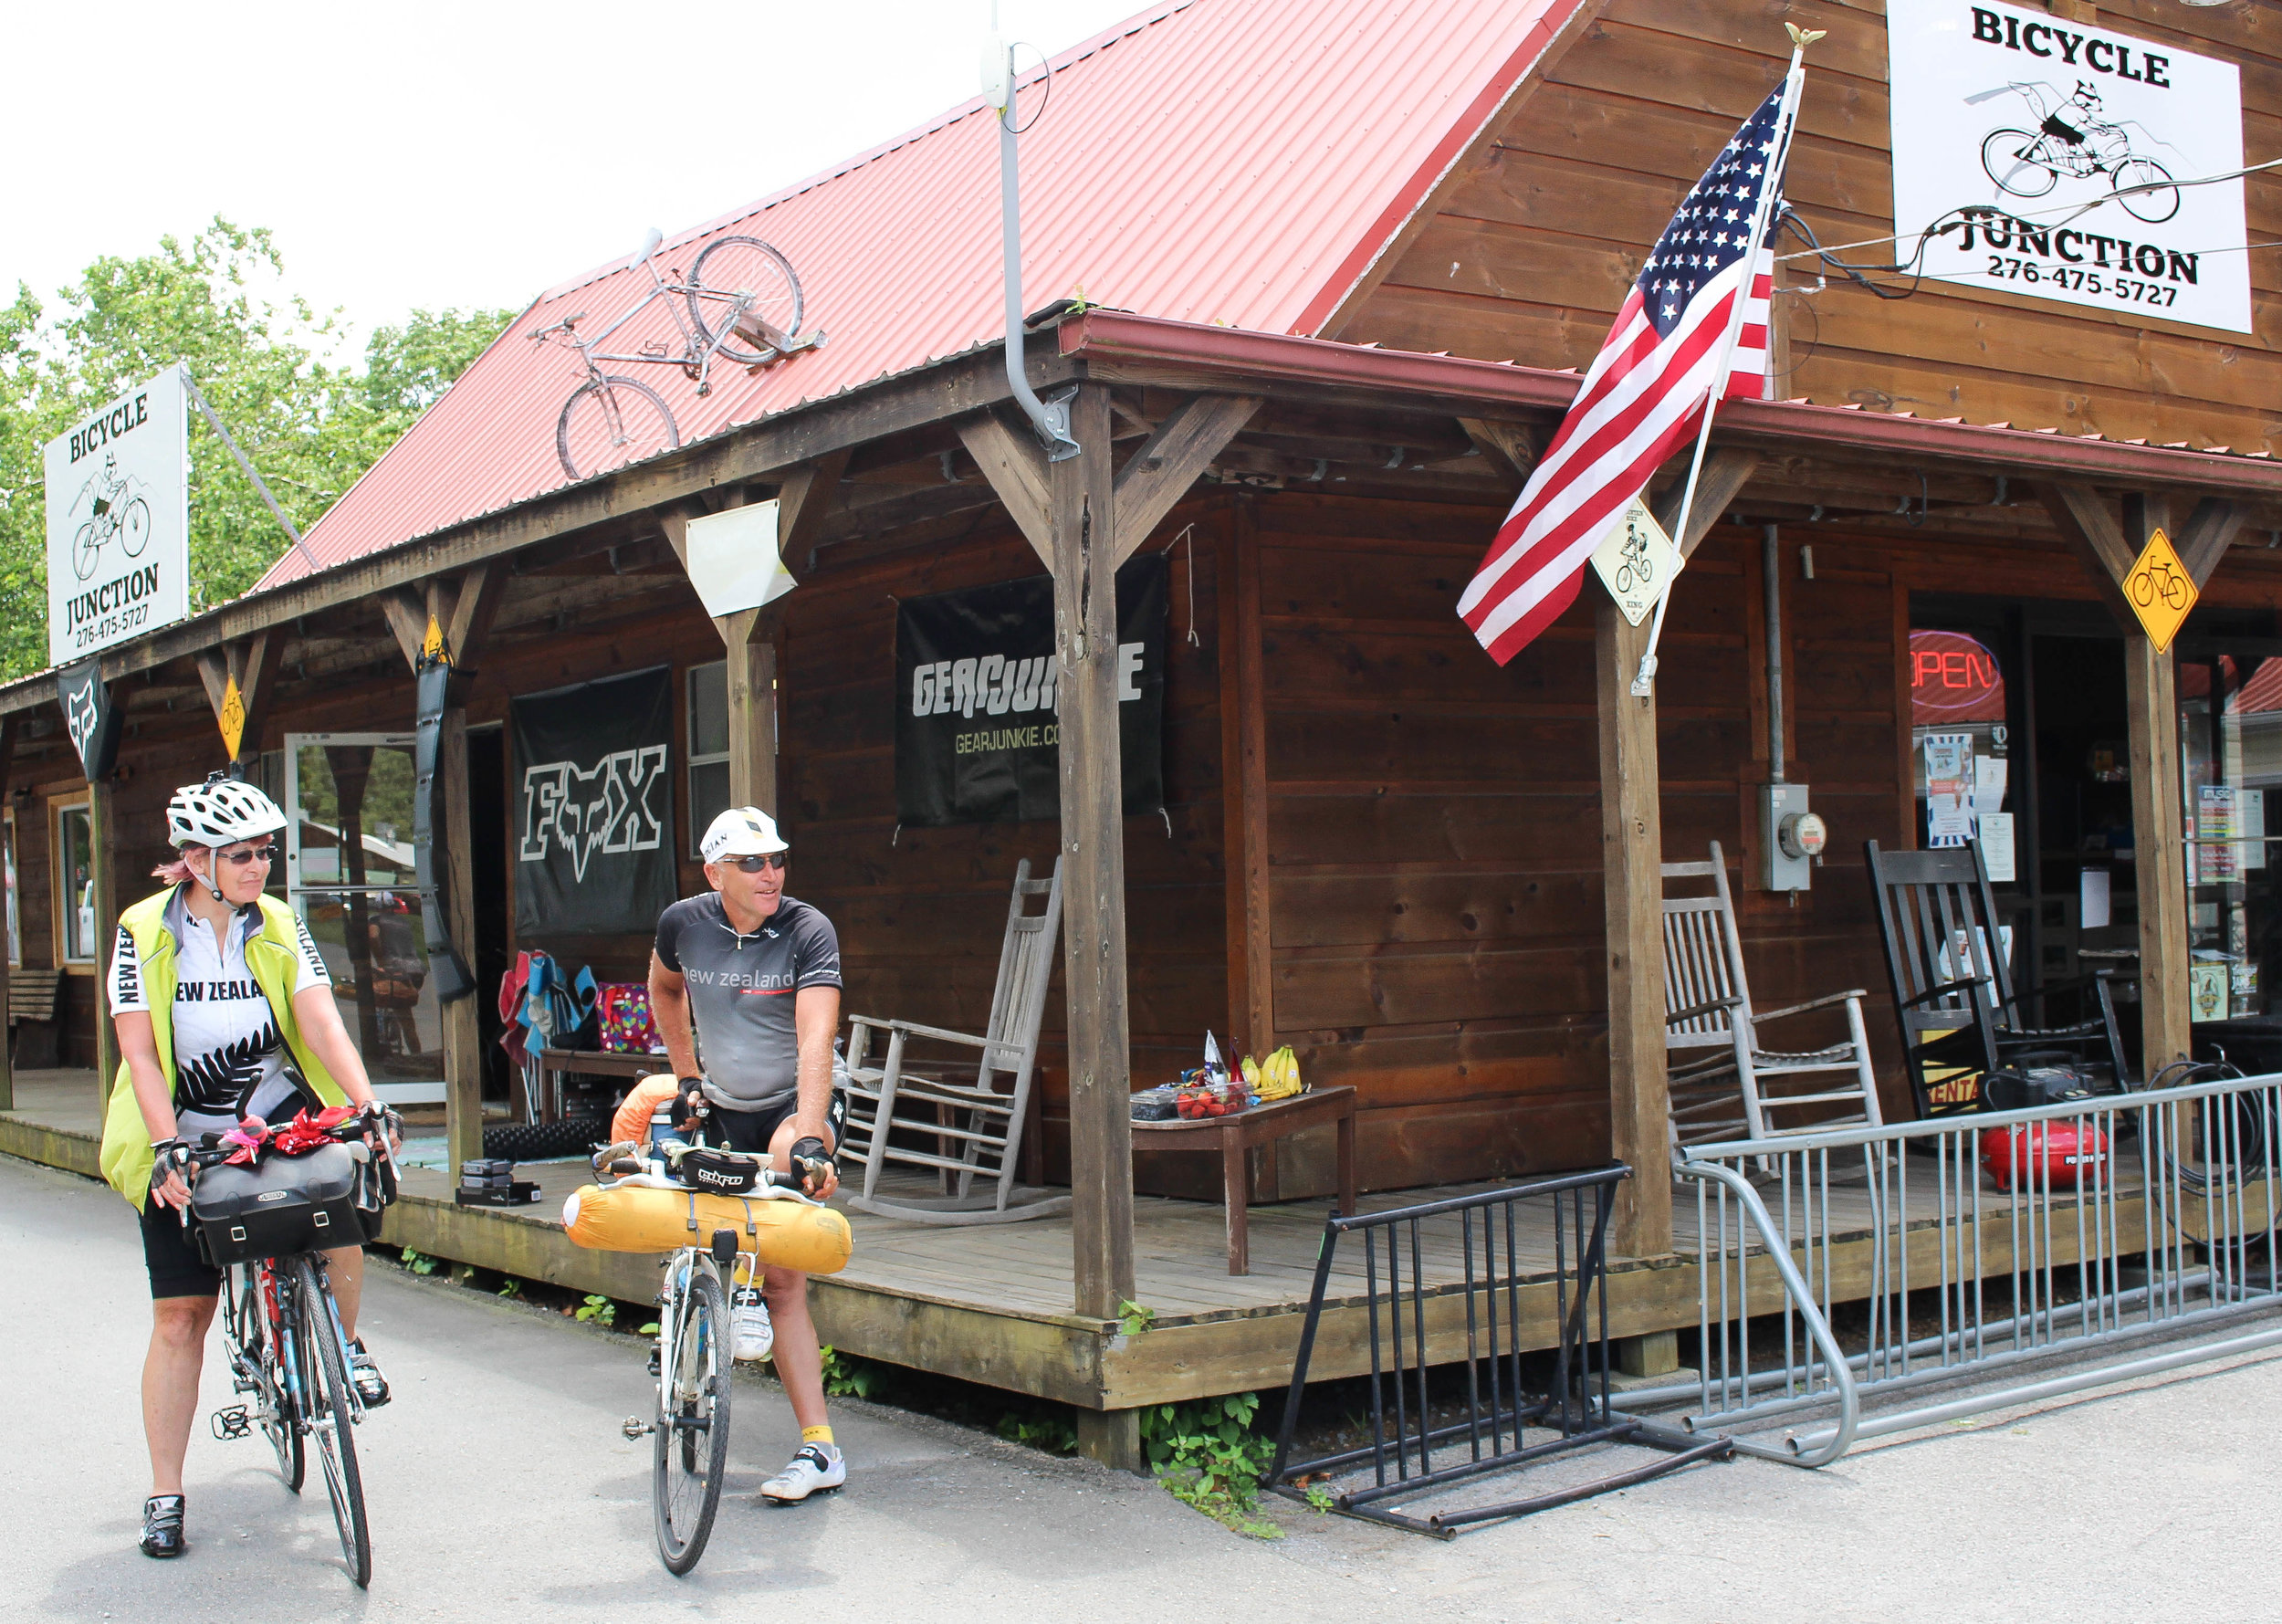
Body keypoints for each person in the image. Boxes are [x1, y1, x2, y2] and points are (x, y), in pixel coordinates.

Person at [96, 773, 401, 1560]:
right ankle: (166, 1491)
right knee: (180, 1317)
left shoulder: (277, 922)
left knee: (341, 1204)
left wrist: (367, 1103)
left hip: (279, 1119)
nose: (259, 866)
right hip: (185, 1134)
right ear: (196, 860)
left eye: (266, 851)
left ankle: (339, 1344)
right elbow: (139, 1050)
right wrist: (167, 1145)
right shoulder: (143, 930)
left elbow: (320, 1019)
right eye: (241, 854)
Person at [649, 806, 845, 1504]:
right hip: (723, 1102)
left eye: (778, 860)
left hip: (797, 1103)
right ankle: (706, 1300)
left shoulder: (805, 928)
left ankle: (820, 1450)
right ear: (715, 872)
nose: (771, 874)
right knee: (666, 1167)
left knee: (785, 1281)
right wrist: (688, 1077)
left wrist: (814, 1135)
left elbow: (816, 1039)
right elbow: (665, 989)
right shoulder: (684, 923)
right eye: (753, 863)